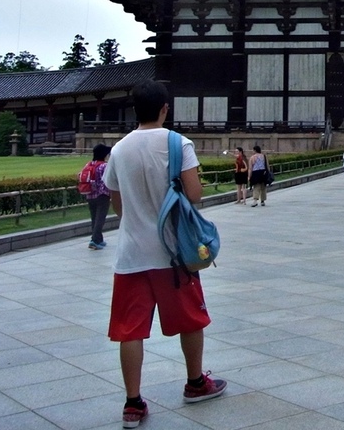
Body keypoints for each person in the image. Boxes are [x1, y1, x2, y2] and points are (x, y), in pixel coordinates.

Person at [102, 81, 226, 428]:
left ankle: (133, 404)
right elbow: (196, 194)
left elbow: (117, 201)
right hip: (173, 254)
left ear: (133, 110)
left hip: (130, 255)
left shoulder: (120, 150)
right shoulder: (177, 143)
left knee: (130, 331)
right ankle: (196, 382)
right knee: (191, 319)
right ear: (165, 109)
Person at [84, 143, 112, 249]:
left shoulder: (89, 164)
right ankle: (95, 240)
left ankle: (99, 239)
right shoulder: (104, 166)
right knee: (100, 219)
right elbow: (108, 180)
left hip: (90, 194)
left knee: (94, 218)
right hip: (102, 195)